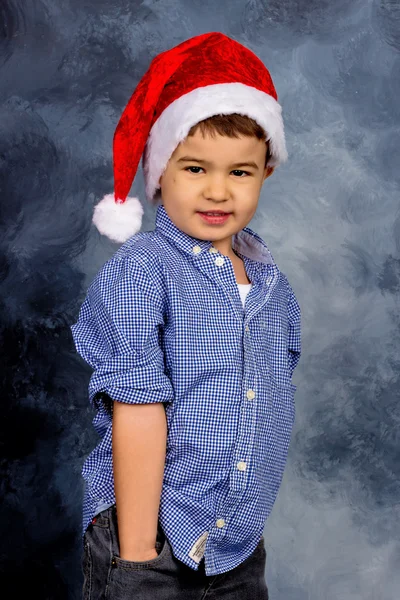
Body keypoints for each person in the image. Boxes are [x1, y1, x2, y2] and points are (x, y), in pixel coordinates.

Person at [70, 31, 301, 600]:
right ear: (159, 169)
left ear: (265, 171)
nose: (218, 190)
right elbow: (139, 411)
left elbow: (263, 401)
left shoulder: (271, 282)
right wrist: (139, 555)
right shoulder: (144, 272)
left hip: (236, 546)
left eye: (240, 172)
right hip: (153, 539)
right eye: (195, 169)